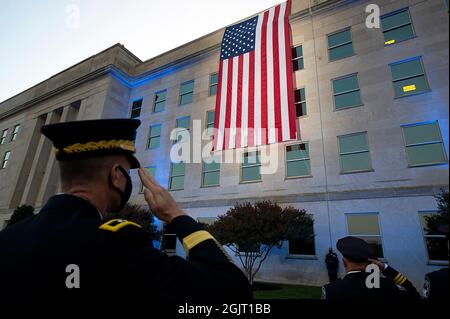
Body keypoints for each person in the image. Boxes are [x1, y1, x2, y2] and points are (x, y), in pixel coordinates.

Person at [0, 119, 252, 303]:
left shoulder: (9, 238)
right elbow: (232, 290)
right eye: (128, 172)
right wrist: (176, 214)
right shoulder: (117, 244)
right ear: (116, 176)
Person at [322, 236, 421, 301]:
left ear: (344, 263)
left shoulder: (331, 290)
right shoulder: (387, 285)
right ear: (371, 263)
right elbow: (415, 296)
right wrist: (385, 268)